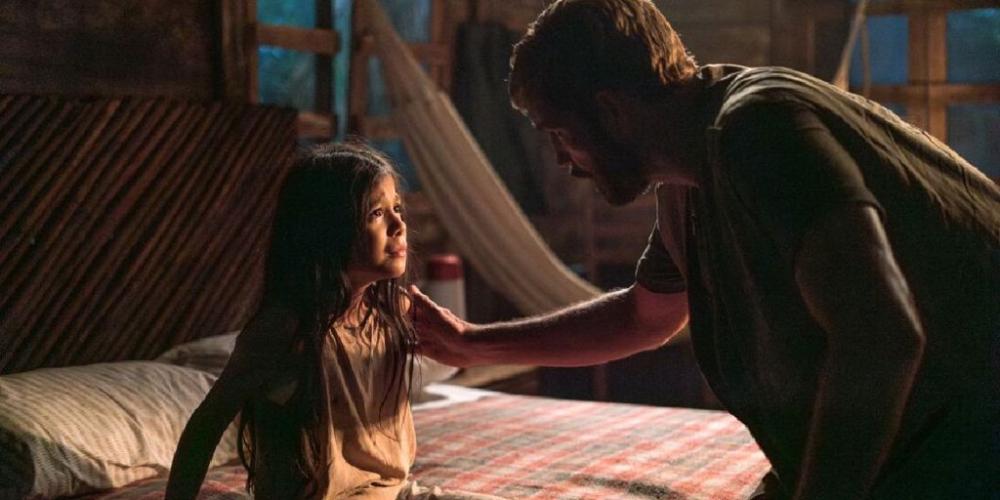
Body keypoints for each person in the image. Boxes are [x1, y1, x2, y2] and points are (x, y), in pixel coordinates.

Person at [410, 1, 999, 499]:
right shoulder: (687, 181)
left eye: (561, 135)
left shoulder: (759, 129)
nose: (563, 160)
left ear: (612, 110)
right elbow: (643, 318)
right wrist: (471, 343)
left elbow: (881, 334)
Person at [165, 143, 501, 499]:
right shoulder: (285, 330)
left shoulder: (394, 311)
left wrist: (460, 341)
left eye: (397, 208)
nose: (399, 225)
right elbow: (207, 424)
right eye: (376, 213)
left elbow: (460, 353)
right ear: (327, 230)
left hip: (394, 493)